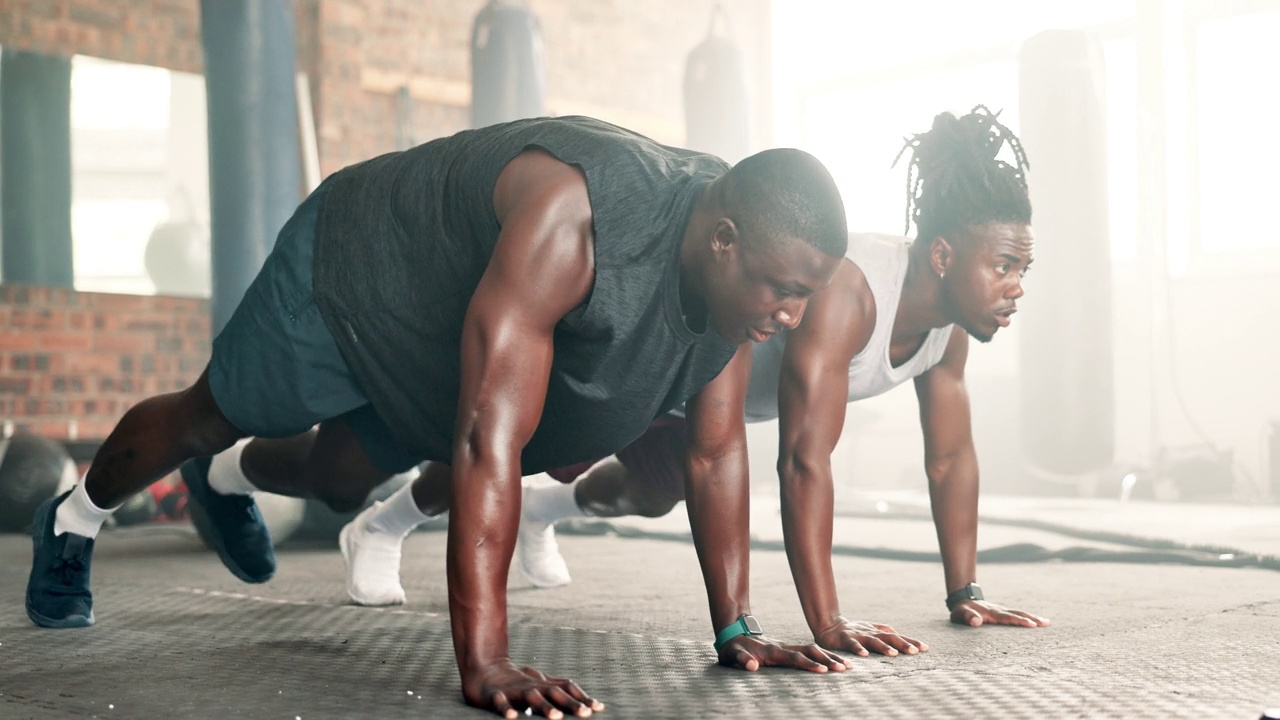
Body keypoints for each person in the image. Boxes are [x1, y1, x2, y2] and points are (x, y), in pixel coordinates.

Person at [25, 115, 852, 719]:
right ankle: (75, 517)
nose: (791, 314)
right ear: (724, 241)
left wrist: (737, 628)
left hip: (438, 331)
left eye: (806, 296)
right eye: (784, 288)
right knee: (211, 413)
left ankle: (224, 479)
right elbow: (487, 439)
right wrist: (484, 659)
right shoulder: (581, 215)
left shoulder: (734, 288)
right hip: (358, 268)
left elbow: (713, 455)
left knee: (338, 480)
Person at [339, 107, 1049, 662]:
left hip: (706, 403)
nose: (1017, 288)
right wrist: (827, 622)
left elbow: (949, 459)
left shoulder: (949, 331)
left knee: (650, 494)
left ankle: (545, 512)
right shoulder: (851, 296)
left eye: (1024, 269)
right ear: (945, 254)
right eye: (1007, 265)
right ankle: (384, 523)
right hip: (669, 358)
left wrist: (967, 593)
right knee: (520, 446)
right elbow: (804, 459)